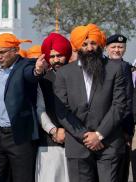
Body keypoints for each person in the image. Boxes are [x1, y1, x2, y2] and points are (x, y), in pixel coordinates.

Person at [55, 24, 126, 182]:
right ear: (77, 46)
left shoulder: (115, 69)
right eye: (84, 44)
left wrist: (99, 135)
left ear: (100, 44)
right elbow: (62, 110)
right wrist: (86, 136)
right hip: (77, 144)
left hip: (109, 143)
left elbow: (119, 106)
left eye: (93, 43)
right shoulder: (64, 73)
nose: (89, 48)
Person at [0, 33, 45, 182]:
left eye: (2, 52)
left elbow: (31, 75)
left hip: (18, 136)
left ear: (15, 50)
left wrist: (37, 70)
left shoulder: (25, 65)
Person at [35, 33, 72, 182]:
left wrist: (71, 131)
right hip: (50, 142)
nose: (56, 60)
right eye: (52, 56)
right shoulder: (43, 80)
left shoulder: (78, 76)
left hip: (76, 139)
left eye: (60, 55)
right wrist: (53, 130)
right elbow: (40, 109)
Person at [105, 34, 134, 182]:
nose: (117, 50)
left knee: (121, 171)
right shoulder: (101, 66)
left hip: (121, 127)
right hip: (103, 126)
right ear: (106, 48)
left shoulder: (127, 68)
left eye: (120, 47)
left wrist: (128, 131)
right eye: (114, 47)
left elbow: (129, 99)